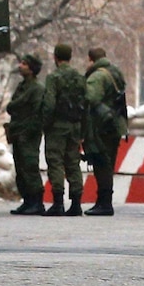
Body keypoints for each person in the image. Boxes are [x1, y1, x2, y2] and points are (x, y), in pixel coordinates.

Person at [41, 44, 87, 216]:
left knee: (55, 162)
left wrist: (45, 123)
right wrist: (83, 128)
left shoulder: (53, 77)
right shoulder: (79, 77)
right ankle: (76, 203)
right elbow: (85, 103)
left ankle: (58, 203)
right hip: (75, 125)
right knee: (73, 162)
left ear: (55, 57)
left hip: (57, 126)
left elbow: (50, 103)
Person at [82, 47, 127, 216]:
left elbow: (91, 98)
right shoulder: (114, 72)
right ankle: (104, 201)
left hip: (102, 126)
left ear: (91, 60)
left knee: (102, 164)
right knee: (108, 163)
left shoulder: (98, 76)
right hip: (115, 124)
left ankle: (104, 203)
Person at [4, 54, 46, 215]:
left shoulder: (37, 88)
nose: (20, 66)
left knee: (30, 167)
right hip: (18, 131)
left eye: (24, 64)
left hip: (28, 133)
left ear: (32, 69)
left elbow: (37, 113)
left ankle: (37, 202)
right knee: (20, 168)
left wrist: (29, 131)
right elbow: (11, 107)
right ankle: (27, 200)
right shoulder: (23, 87)